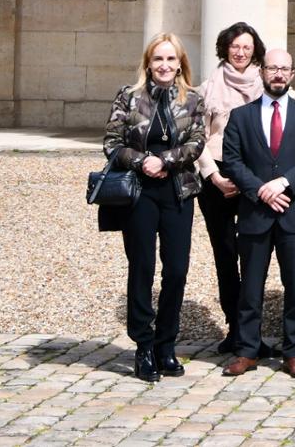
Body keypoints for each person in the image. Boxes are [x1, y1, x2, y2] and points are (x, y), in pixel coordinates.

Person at [102, 32, 207, 383]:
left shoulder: (193, 99)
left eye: (171, 59)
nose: (164, 65)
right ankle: (143, 345)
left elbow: (197, 141)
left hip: (177, 190)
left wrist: (164, 160)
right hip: (139, 192)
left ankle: (166, 343)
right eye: (158, 59)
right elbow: (112, 143)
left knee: (176, 270)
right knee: (142, 267)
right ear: (148, 63)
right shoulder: (129, 97)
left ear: (180, 64)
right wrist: (141, 161)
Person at [220, 49, 295, 380]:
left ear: (292, 75)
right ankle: (247, 350)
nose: (278, 74)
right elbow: (232, 160)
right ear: (262, 72)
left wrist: (284, 183)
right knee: (251, 287)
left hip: (293, 212)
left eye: (284, 69)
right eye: (273, 67)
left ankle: (294, 352)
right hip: (255, 213)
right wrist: (261, 189)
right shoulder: (241, 116)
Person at [196, 22, 265, 356]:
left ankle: (252, 330)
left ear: (255, 51)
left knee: (254, 257)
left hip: (253, 177)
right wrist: (214, 176)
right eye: (235, 47)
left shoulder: (266, 86)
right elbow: (198, 140)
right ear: (225, 49)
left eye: (247, 48)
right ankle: (234, 328)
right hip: (217, 178)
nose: (241, 53)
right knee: (225, 255)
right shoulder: (207, 88)